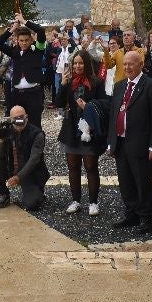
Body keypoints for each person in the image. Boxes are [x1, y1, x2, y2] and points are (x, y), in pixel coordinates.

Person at [106, 50, 152, 235]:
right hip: (121, 142)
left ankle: (145, 217)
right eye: (124, 64)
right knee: (125, 181)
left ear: (141, 64)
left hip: (141, 143)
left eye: (131, 64)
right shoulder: (119, 86)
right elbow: (114, 114)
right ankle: (131, 213)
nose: (127, 67)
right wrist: (111, 142)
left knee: (142, 182)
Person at [56, 49, 107, 216]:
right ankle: (76, 200)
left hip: (89, 127)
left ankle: (93, 202)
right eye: (75, 63)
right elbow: (58, 103)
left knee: (91, 165)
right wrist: (63, 85)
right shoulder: (69, 81)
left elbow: (104, 103)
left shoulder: (97, 82)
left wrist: (89, 108)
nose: (78, 65)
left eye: (81, 62)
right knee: (73, 165)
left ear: (87, 64)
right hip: (71, 127)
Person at [0, 104, 51, 210]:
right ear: (10, 120)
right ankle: (3, 194)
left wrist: (18, 177)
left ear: (26, 117)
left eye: (21, 117)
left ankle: (38, 192)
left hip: (30, 173)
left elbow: (34, 159)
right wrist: (1, 141)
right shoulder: (8, 130)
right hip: (11, 169)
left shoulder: (37, 134)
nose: (19, 120)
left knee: (32, 205)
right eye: (16, 118)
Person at [0, 14, 48, 127]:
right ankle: (20, 144)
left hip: (33, 93)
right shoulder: (14, 51)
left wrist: (24, 21)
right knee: (18, 123)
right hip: (17, 94)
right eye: (21, 40)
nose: (24, 43)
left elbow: (40, 30)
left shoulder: (38, 50)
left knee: (34, 123)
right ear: (17, 40)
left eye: (26, 40)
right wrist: (13, 29)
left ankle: (36, 143)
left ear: (31, 40)